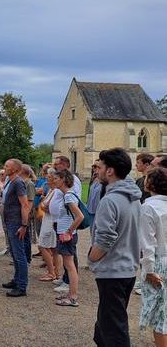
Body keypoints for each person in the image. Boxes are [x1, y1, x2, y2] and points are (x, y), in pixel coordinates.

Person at [89, 148, 142, 347]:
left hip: (113, 271)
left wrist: (92, 257)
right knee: (105, 324)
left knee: (114, 330)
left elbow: (105, 238)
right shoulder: (133, 197)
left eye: (100, 167)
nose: (97, 171)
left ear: (110, 171)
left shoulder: (110, 200)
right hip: (126, 269)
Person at [139, 167, 167, 347]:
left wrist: (149, 270)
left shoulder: (148, 206)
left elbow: (148, 243)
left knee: (160, 316)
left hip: (159, 261)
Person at [52, 169, 84, 307]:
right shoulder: (67, 195)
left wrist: (69, 232)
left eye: (56, 178)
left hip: (67, 236)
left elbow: (80, 216)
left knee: (70, 266)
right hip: (64, 234)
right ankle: (71, 294)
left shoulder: (69, 196)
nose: (54, 181)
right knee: (68, 265)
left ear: (63, 179)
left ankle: (73, 297)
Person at [1, 159, 31, 297]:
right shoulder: (10, 181)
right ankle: (17, 280)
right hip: (10, 221)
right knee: (14, 253)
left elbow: (25, 205)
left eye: (7, 166)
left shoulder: (18, 183)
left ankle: (21, 286)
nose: (5, 168)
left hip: (16, 222)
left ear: (15, 169)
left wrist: (24, 225)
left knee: (19, 255)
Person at [37, 168, 60, 282]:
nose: (47, 180)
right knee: (54, 248)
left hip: (50, 222)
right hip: (48, 221)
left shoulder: (55, 191)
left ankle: (52, 272)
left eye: (49, 178)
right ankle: (56, 272)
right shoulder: (51, 190)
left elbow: (47, 207)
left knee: (43, 246)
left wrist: (43, 205)